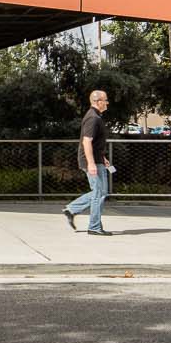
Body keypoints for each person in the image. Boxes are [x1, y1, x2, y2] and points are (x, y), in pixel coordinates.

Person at [61, 88, 115, 236]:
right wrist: (91, 163)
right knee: (98, 193)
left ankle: (72, 209)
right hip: (90, 161)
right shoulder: (93, 118)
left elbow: (95, 143)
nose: (107, 103)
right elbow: (87, 142)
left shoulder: (96, 116)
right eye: (105, 100)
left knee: (102, 192)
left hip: (96, 159)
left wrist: (102, 158)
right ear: (98, 102)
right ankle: (94, 227)